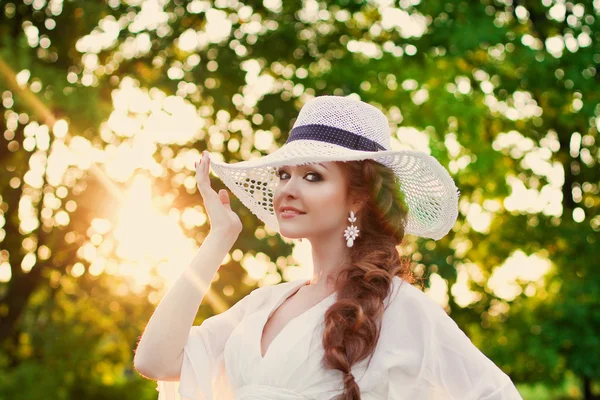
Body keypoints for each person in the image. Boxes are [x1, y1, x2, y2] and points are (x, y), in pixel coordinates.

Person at [134, 96, 522, 399]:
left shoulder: (399, 307)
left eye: (312, 176)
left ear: (357, 198)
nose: (288, 188)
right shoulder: (261, 306)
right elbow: (155, 360)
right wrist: (218, 238)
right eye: (284, 174)